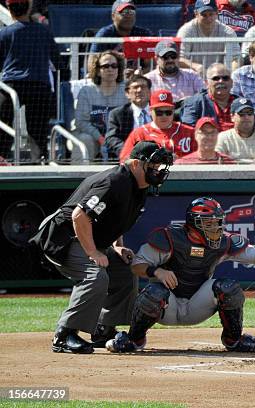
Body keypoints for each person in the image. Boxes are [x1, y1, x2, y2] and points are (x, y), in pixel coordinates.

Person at [30, 141, 173, 353]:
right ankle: (64, 334)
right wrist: (93, 252)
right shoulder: (113, 182)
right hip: (62, 237)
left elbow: (116, 219)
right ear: (135, 164)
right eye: (153, 166)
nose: (157, 171)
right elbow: (80, 216)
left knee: (125, 268)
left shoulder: (138, 187)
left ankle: (103, 329)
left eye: (160, 166)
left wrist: (117, 246)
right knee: (95, 276)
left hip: (88, 237)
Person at [105, 197, 255, 353]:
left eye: (217, 223)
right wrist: (157, 271)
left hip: (197, 305)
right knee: (154, 292)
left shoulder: (224, 242)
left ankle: (234, 340)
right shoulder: (170, 238)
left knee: (228, 288)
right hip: (166, 305)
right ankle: (134, 339)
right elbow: (137, 265)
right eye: (208, 223)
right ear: (194, 223)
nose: (215, 228)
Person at [0, 0, 62, 162]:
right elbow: (58, 61)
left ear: (9, 8)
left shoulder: (4, 33)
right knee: (38, 131)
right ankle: (39, 161)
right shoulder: (44, 32)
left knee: (3, 127)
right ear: (29, 7)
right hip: (39, 86)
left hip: (11, 86)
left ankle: (1, 159)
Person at [73, 50, 128, 163]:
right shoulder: (87, 91)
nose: (110, 69)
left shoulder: (127, 91)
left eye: (114, 66)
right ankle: (79, 176)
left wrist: (113, 140)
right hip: (93, 136)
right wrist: (100, 138)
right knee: (84, 139)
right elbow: (81, 122)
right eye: (105, 66)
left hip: (119, 137)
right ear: (97, 70)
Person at [120, 90, 197, 161]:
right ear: (150, 111)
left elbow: (202, 156)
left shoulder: (189, 132)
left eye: (168, 112)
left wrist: (181, 160)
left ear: (173, 110)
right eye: (159, 112)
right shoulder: (139, 134)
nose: (164, 116)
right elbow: (125, 159)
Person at [177, 0, 241, 75]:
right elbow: (179, 59)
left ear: (217, 13)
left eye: (211, 14)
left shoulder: (228, 32)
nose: (208, 18)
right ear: (196, 14)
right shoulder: (186, 30)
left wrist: (230, 76)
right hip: (193, 77)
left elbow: (235, 59)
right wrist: (196, 67)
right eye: (204, 15)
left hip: (219, 77)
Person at [105, 75, 152, 160]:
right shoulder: (117, 114)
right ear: (127, 93)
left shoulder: (161, 112)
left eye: (143, 87)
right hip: (128, 159)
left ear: (149, 92)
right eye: (135, 87)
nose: (139, 90)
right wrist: (130, 152)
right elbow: (111, 138)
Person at [145, 40, 204, 104]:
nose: (170, 60)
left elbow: (204, 96)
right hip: (160, 113)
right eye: (165, 57)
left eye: (173, 56)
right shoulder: (147, 79)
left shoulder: (192, 76)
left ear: (178, 57)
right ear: (156, 59)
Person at [181, 63, 237, 130]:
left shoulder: (240, 103)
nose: (221, 81)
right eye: (216, 78)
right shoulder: (194, 103)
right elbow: (188, 130)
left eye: (225, 78)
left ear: (231, 82)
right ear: (207, 82)